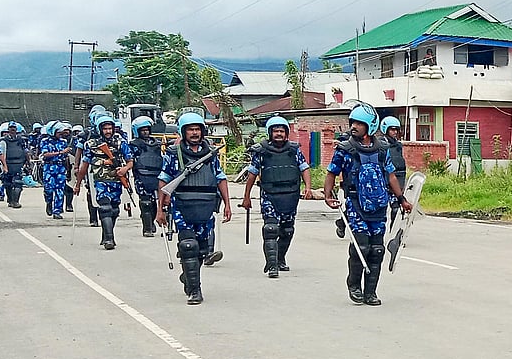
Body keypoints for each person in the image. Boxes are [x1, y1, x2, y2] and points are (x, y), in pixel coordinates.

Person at [323, 102, 411, 305]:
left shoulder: (382, 150)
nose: (354, 127)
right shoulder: (345, 149)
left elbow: (391, 176)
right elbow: (331, 173)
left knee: (377, 250)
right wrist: (328, 195)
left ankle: (370, 292)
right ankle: (354, 285)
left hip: (379, 206)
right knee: (361, 247)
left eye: (359, 124)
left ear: (370, 126)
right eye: (352, 123)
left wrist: (402, 199)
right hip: (355, 204)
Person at [157, 113, 231, 304]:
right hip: (182, 206)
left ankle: (188, 276)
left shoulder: (211, 154)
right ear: (183, 132)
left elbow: (220, 178)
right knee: (188, 246)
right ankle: (195, 290)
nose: (195, 133)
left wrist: (227, 204)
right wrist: (160, 209)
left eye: (197, 129)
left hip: (206, 206)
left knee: (201, 250)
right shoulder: (173, 154)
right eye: (190, 129)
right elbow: (164, 181)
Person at [242, 116, 313, 278]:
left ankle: (280, 259)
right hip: (269, 195)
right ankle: (272, 265)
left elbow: (304, 168)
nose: (279, 134)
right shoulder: (261, 151)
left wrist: (308, 187)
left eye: (281, 131)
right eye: (275, 131)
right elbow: (252, 174)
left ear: (286, 133)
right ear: (270, 133)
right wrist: (246, 197)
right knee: (271, 229)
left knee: (287, 230)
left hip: (290, 195)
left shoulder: (294, 150)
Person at [73, 114, 132, 250]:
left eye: (110, 128)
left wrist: (124, 169)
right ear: (100, 129)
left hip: (117, 180)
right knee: (105, 208)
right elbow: (84, 166)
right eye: (105, 129)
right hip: (100, 180)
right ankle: (109, 239)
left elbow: (130, 161)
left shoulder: (120, 142)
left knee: (114, 210)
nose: (108, 131)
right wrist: (78, 184)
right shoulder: (91, 145)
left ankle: (106, 235)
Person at [128, 116, 164, 237]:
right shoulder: (134, 145)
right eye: (142, 130)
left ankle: (151, 222)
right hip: (141, 177)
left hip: (156, 176)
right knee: (146, 203)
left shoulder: (157, 143)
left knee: (154, 203)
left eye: (147, 129)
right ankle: (147, 228)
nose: (145, 132)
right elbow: (129, 160)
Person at [39, 122, 71, 219]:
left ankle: (57, 211)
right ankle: (49, 202)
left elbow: (66, 157)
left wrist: (68, 170)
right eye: (59, 133)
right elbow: (45, 154)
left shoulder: (63, 142)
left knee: (60, 190)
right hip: (49, 167)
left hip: (60, 168)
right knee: (48, 189)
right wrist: (60, 152)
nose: (61, 135)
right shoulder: (45, 141)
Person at [379, 116, 407, 223]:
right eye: (392, 129)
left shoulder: (398, 145)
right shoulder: (380, 144)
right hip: (384, 181)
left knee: (396, 208)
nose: (395, 132)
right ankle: (342, 222)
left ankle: (393, 232)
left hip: (397, 181)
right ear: (385, 129)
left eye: (396, 130)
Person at [0, 121, 29, 208]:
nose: (12, 129)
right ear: (8, 129)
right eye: (11, 128)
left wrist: (28, 162)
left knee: (18, 183)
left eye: (14, 128)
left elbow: (25, 151)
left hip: (18, 164)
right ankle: (10, 200)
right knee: (7, 184)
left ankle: (16, 202)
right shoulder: (3, 141)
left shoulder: (21, 140)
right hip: (7, 164)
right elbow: (0, 153)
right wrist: (2, 165)